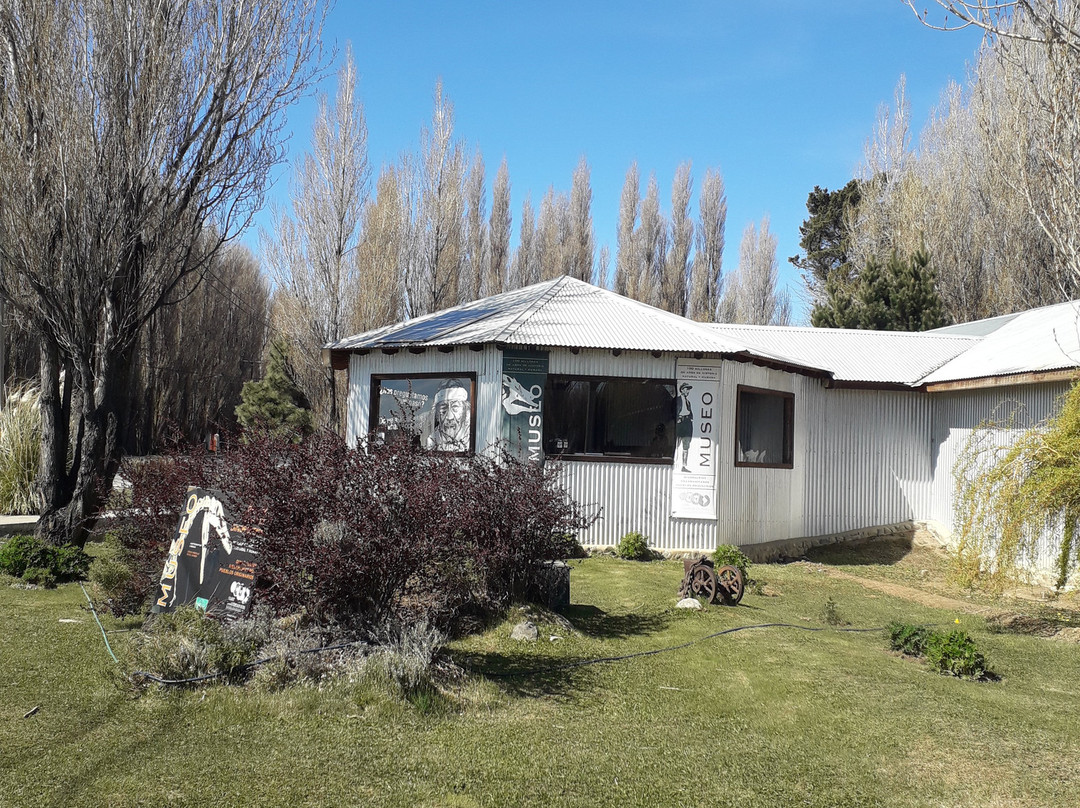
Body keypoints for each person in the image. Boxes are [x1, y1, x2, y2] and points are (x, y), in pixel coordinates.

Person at [427, 379, 471, 451]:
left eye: (455, 407)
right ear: (437, 414)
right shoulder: (432, 439)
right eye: (443, 408)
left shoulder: (471, 438)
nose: (449, 417)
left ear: (465, 411)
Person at [675, 382, 693, 472]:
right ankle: (675, 464)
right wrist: (677, 419)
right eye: (686, 389)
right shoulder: (677, 400)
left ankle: (684, 466)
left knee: (686, 445)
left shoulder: (688, 402)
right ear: (682, 390)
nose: (688, 391)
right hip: (679, 423)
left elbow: (690, 412)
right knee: (676, 444)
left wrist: (690, 419)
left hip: (687, 423)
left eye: (689, 389)